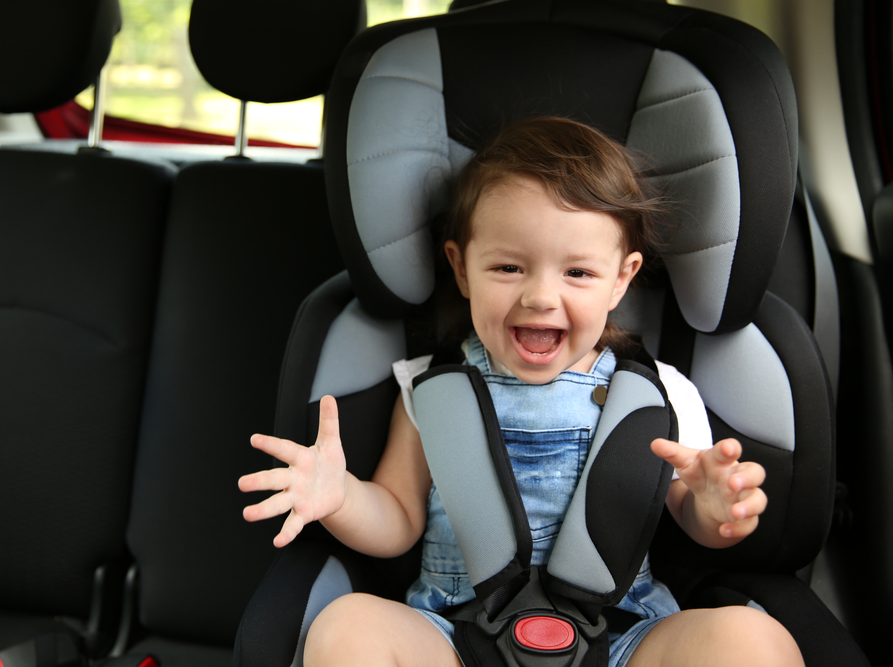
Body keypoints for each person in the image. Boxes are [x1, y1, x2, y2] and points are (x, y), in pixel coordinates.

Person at [238, 117, 804, 667]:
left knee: (753, 640)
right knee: (346, 627)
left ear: (622, 279)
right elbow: (399, 519)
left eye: (577, 273)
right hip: (457, 635)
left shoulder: (662, 395)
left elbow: (688, 515)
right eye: (508, 267)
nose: (539, 296)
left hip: (623, 636)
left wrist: (714, 507)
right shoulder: (430, 390)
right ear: (461, 269)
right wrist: (342, 498)